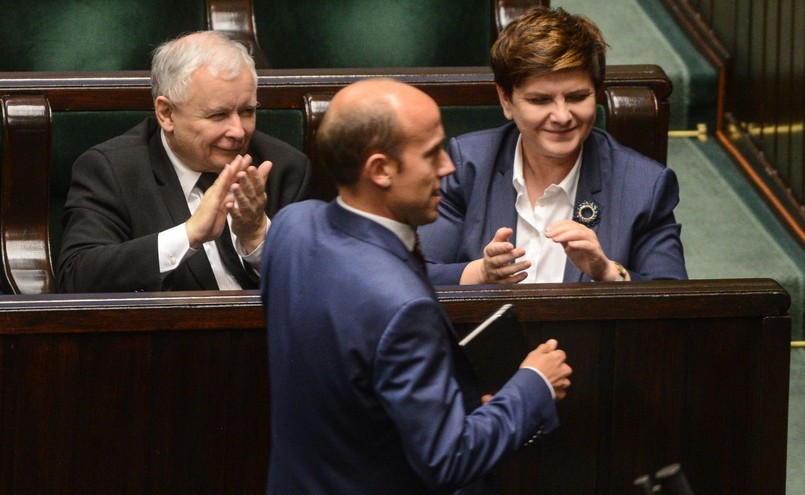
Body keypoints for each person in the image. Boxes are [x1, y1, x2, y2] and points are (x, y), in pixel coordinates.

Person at [261, 78, 572, 494]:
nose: (448, 166)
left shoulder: (291, 226)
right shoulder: (402, 307)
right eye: (431, 154)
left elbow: (343, 386)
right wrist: (533, 384)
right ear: (380, 170)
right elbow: (449, 459)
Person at [419, 7, 687, 285]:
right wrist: (480, 274)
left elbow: (673, 303)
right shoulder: (468, 165)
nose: (562, 116)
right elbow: (418, 275)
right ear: (506, 100)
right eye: (540, 100)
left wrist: (608, 272)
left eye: (577, 97)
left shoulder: (644, 185)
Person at [57, 31, 311, 292]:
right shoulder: (114, 171)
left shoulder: (284, 167)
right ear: (166, 114)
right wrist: (189, 234)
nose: (238, 131)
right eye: (218, 115)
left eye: (247, 111)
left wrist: (258, 236)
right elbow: (76, 276)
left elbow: (315, 285)